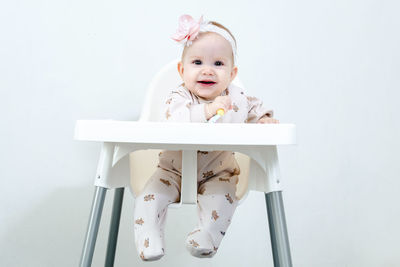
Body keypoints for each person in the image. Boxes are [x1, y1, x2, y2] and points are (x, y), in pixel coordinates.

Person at [133, 14, 279, 261]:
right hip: (172, 171)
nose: (208, 70)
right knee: (149, 199)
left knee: (223, 201)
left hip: (218, 172)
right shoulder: (179, 96)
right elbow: (174, 118)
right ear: (182, 70)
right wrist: (208, 110)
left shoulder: (236, 97)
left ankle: (206, 237)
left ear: (232, 74)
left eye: (218, 64)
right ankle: (149, 237)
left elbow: (254, 108)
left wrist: (263, 119)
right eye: (198, 62)